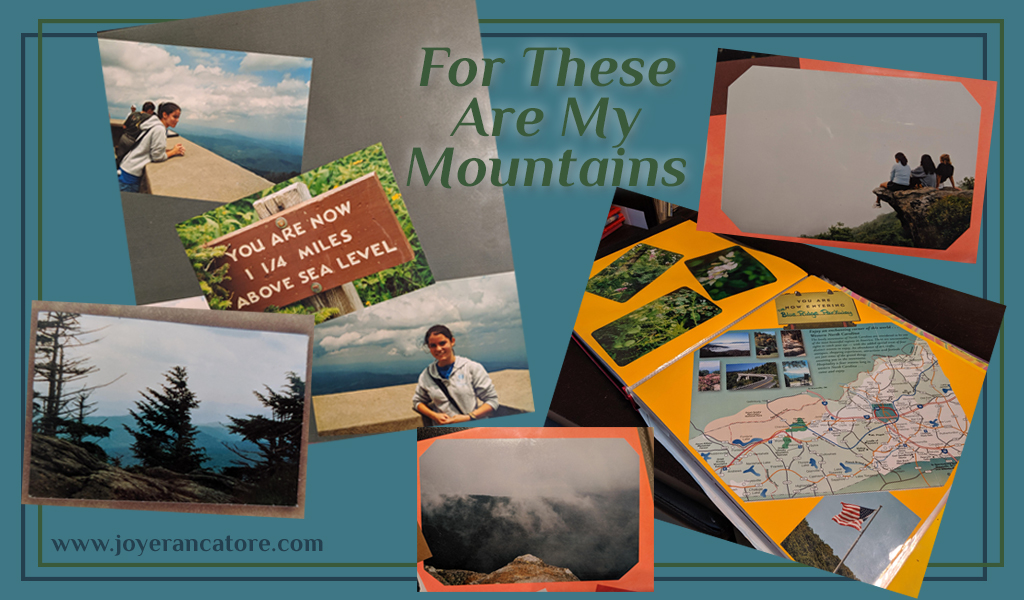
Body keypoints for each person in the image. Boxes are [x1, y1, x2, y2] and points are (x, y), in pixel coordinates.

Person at [412, 325, 498, 424]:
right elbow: (417, 401)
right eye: (433, 345)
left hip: (473, 429)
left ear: (452, 341)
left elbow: (492, 401)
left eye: (442, 343)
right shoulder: (427, 374)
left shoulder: (471, 368)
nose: (438, 349)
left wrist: (469, 417)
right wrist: (434, 416)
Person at [117, 102, 185, 193]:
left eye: (178, 117)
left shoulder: (153, 125)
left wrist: (170, 150)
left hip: (126, 169)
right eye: (174, 116)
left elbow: (148, 146)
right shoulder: (159, 129)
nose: (177, 120)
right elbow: (157, 156)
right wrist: (173, 152)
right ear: (164, 115)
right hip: (130, 177)